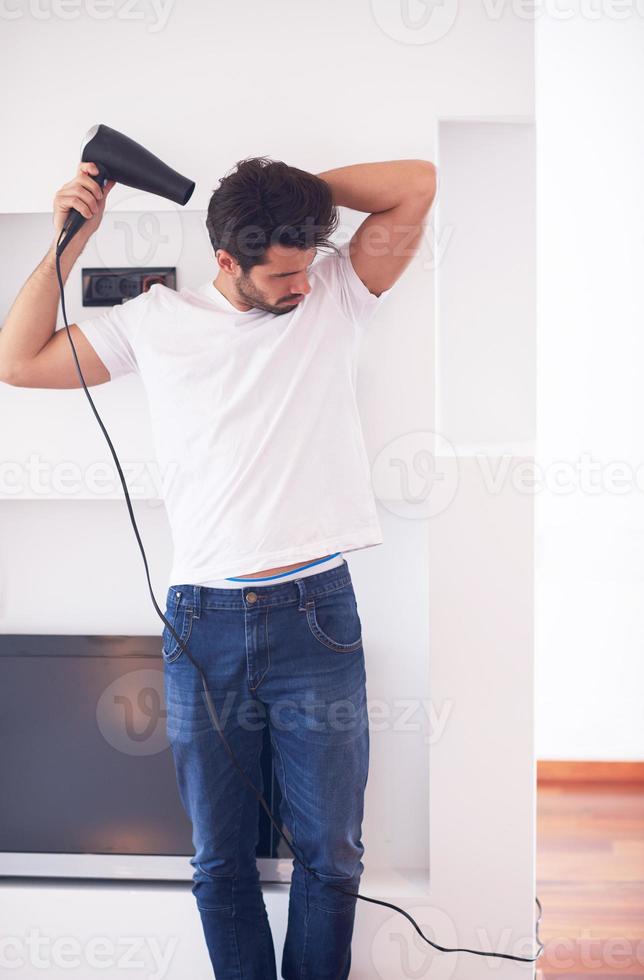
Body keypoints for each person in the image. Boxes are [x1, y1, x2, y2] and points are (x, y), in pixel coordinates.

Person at [0, 154, 437, 979]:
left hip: (317, 616)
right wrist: (71, 242)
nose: (302, 286)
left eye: (307, 266)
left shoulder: (336, 292)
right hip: (204, 627)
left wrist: (297, 197)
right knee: (219, 859)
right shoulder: (152, 321)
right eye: (281, 274)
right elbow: (15, 361)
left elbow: (418, 182)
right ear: (226, 261)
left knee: (333, 855)